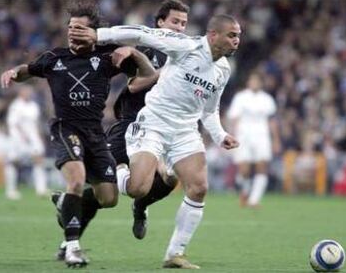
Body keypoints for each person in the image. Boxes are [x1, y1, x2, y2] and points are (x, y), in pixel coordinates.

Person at [70, 14, 241, 269]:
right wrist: (98, 35)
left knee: (198, 187)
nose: (237, 41)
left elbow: (209, 110)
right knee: (138, 188)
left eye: (238, 36)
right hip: (154, 123)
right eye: (232, 35)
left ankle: (175, 254)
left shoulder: (223, 69)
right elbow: (140, 33)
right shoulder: (186, 46)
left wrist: (220, 135)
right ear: (213, 35)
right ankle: (117, 171)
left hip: (185, 131)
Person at [0, 1, 155, 267]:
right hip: (65, 128)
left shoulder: (107, 58)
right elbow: (28, 71)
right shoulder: (54, 58)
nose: (73, 32)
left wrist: (132, 51)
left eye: (80, 28)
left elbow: (149, 73)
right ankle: (72, 248)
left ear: (93, 32)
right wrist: (13, 71)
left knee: (108, 199)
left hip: (96, 134)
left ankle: (65, 201)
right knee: (76, 179)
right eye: (71, 27)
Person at [106, 0, 189, 240]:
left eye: (184, 23)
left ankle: (141, 208)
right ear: (160, 23)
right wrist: (164, 72)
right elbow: (133, 86)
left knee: (170, 178)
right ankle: (74, 204)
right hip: (134, 121)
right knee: (110, 182)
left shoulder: (186, 55)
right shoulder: (147, 51)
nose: (179, 28)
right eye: (175, 21)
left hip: (164, 125)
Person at [227, 72, 280, 208]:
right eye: (252, 81)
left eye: (257, 81)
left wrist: (276, 140)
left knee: (262, 167)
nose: (254, 83)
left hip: (262, 136)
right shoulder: (240, 97)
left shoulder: (267, 99)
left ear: (260, 83)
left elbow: (272, 120)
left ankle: (254, 200)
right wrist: (231, 137)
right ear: (248, 82)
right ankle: (245, 191)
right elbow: (234, 118)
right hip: (243, 136)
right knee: (244, 170)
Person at [4, 84, 48, 200]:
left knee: (38, 160)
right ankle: (11, 190)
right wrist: (22, 136)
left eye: (30, 92)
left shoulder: (34, 106)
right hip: (18, 139)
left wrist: (39, 136)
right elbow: (13, 123)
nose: (29, 94)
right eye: (27, 92)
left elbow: (36, 123)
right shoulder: (16, 105)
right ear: (21, 93)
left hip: (33, 138)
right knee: (14, 162)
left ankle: (41, 189)